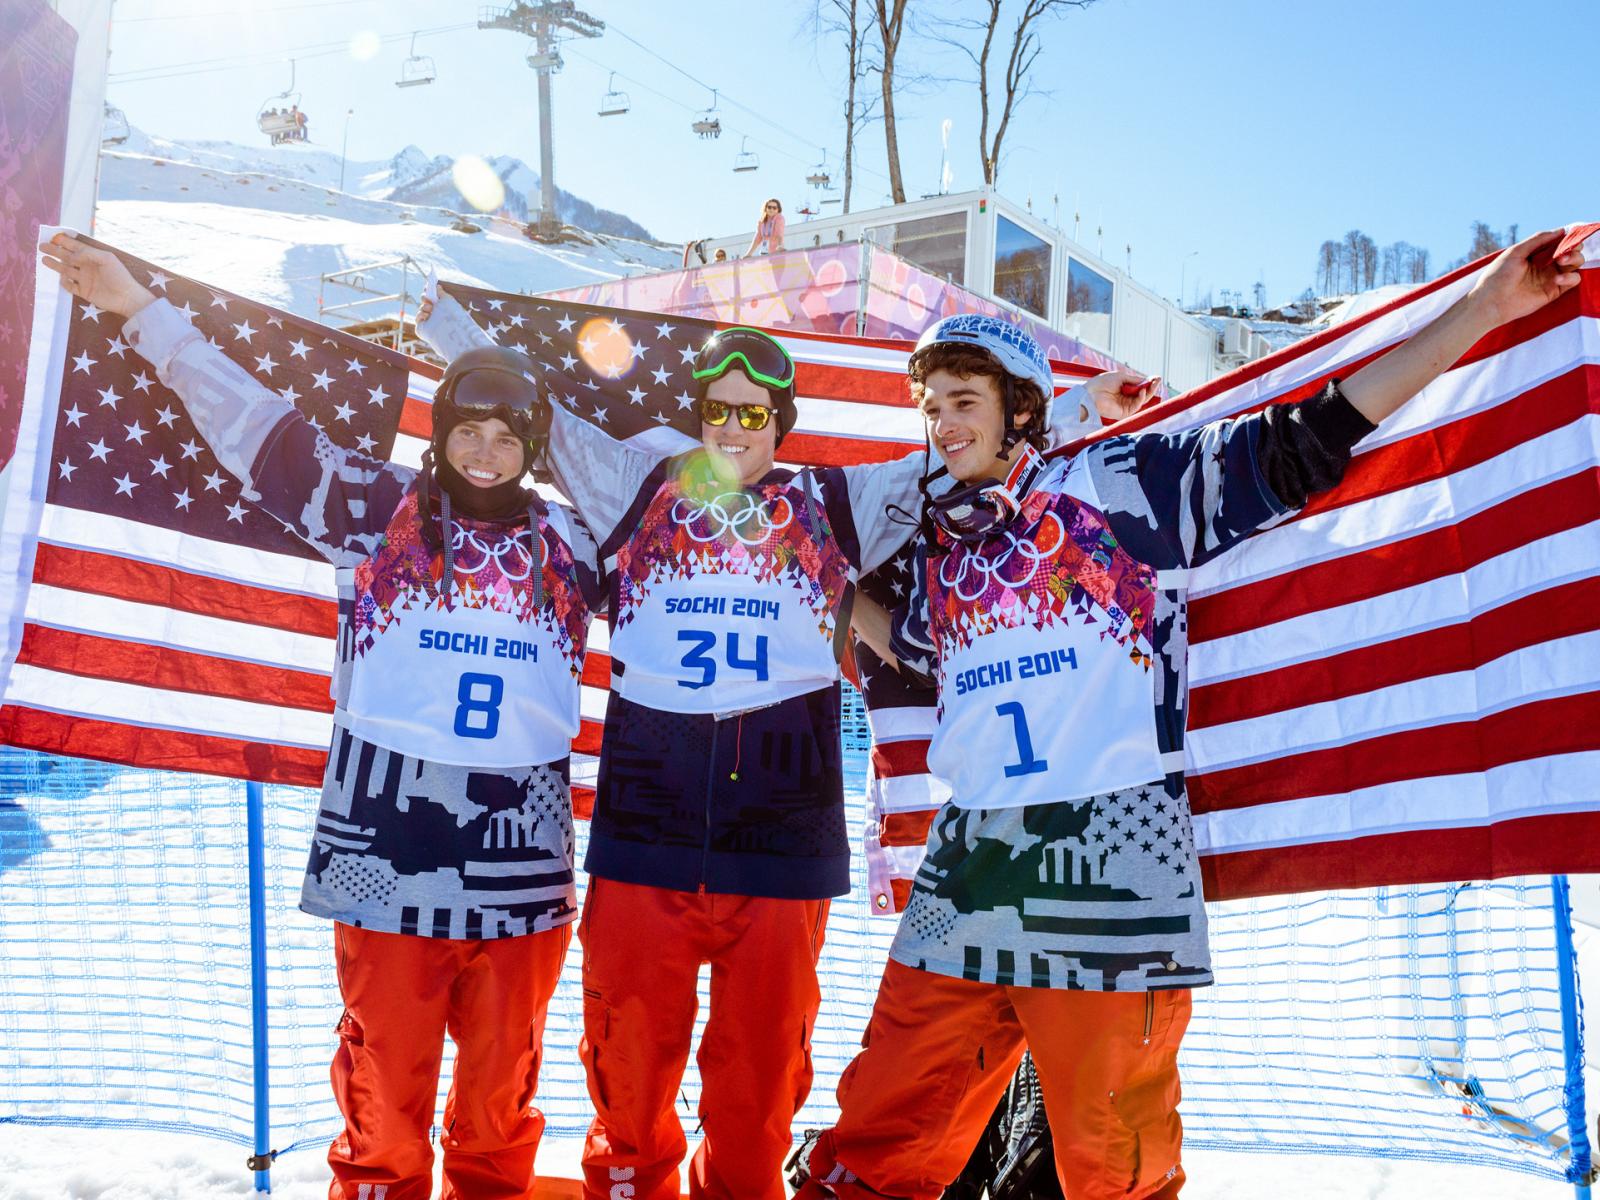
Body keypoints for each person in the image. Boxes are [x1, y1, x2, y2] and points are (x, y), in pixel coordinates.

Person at [796, 230, 1585, 1200]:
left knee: (1111, 1162)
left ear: (1020, 411)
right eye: (931, 409)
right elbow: (915, 653)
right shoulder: (944, 547)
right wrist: (833, 588)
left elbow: (1306, 439)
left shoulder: (1121, 488)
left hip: (1108, 854)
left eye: (963, 402)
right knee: (880, 1136)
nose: (941, 425)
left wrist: (1484, 309)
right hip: (972, 858)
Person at [39, 233, 605, 1200]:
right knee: (384, 1077)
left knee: (500, 1081)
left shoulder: (576, 543)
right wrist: (140, 309)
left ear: (534, 448)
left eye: (509, 436)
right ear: (441, 429)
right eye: (470, 428)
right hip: (384, 830)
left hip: (523, 843)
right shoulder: (376, 507)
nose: (487, 451)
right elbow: (255, 425)